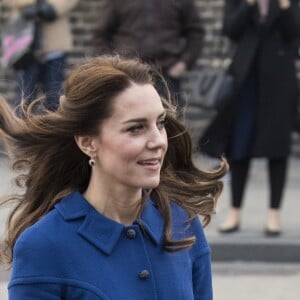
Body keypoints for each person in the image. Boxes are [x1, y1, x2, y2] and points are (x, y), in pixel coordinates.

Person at [0, 55, 228, 299]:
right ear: (88, 142)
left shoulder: (182, 223)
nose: (159, 141)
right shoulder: (44, 244)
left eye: (159, 123)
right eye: (136, 128)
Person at [199, 0, 300, 236]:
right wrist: (249, 5)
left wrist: (285, 6)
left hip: (279, 82)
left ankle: (273, 214)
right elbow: (230, 30)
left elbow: (294, 33)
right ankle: (235, 211)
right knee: (239, 147)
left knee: (278, 149)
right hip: (245, 82)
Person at [93, 0, 205, 116]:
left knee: (170, 124)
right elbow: (101, 35)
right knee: (129, 120)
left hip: (167, 75)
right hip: (128, 74)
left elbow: (195, 32)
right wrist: (112, 65)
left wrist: (184, 63)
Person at [3, 0, 79, 112]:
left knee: (54, 99)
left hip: (54, 46)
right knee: (23, 100)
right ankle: (21, 129)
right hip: (25, 47)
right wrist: (30, 5)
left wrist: (51, 8)